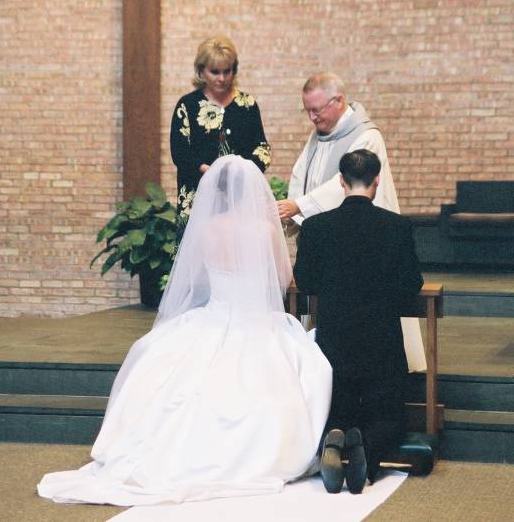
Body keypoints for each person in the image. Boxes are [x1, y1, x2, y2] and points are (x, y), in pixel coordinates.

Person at [38, 156, 331, 506]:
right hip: (255, 321)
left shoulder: (207, 228)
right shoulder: (265, 230)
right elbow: (282, 278)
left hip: (214, 314)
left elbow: (198, 276)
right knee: (306, 366)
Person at [293, 149, 424, 493]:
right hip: (381, 340)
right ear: (377, 180)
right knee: (388, 414)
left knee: (338, 402)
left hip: (334, 340)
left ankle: (336, 434)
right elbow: (411, 284)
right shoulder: (396, 226)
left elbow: (306, 281)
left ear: (341, 181)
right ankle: (367, 446)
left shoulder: (316, 227)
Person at [277, 71, 426, 373]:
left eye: (316, 110)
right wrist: (295, 207)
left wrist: (300, 206)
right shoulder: (318, 134)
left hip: (362, 243)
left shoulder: (366, 135)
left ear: (338, 100)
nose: (312, 117)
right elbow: (301, 174)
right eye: (307, 110)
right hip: (330, 242)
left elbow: (345, 184)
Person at [170, 36, 271, 232]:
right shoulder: (187, 105)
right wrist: (210, 172)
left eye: (227, 71)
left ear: (235, 70)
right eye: (215, 72)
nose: (222, 78)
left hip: (240, 197)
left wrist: (242, 172)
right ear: (201, 71)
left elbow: (262, 148)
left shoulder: (247, 104)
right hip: (198, 195)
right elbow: (180, 152)